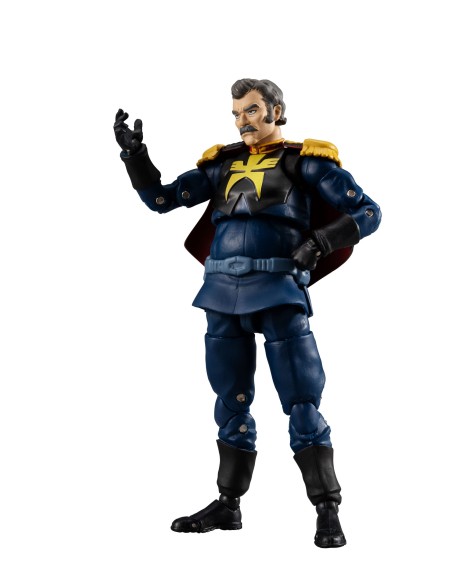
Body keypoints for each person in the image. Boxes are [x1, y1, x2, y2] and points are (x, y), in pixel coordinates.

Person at [114, 78, 381, 547]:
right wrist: (136, 157)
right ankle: (228, 504)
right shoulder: (222, 164)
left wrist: (321, 241)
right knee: (230, 402)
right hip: (220, 292)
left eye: (252, 110)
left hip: (278, 290)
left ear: (276, 110)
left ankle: (327, 507)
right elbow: (163, 200)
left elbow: (369, 212)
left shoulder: (306, 161)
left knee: (302, 402)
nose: (243, 121)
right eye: (237, 113)